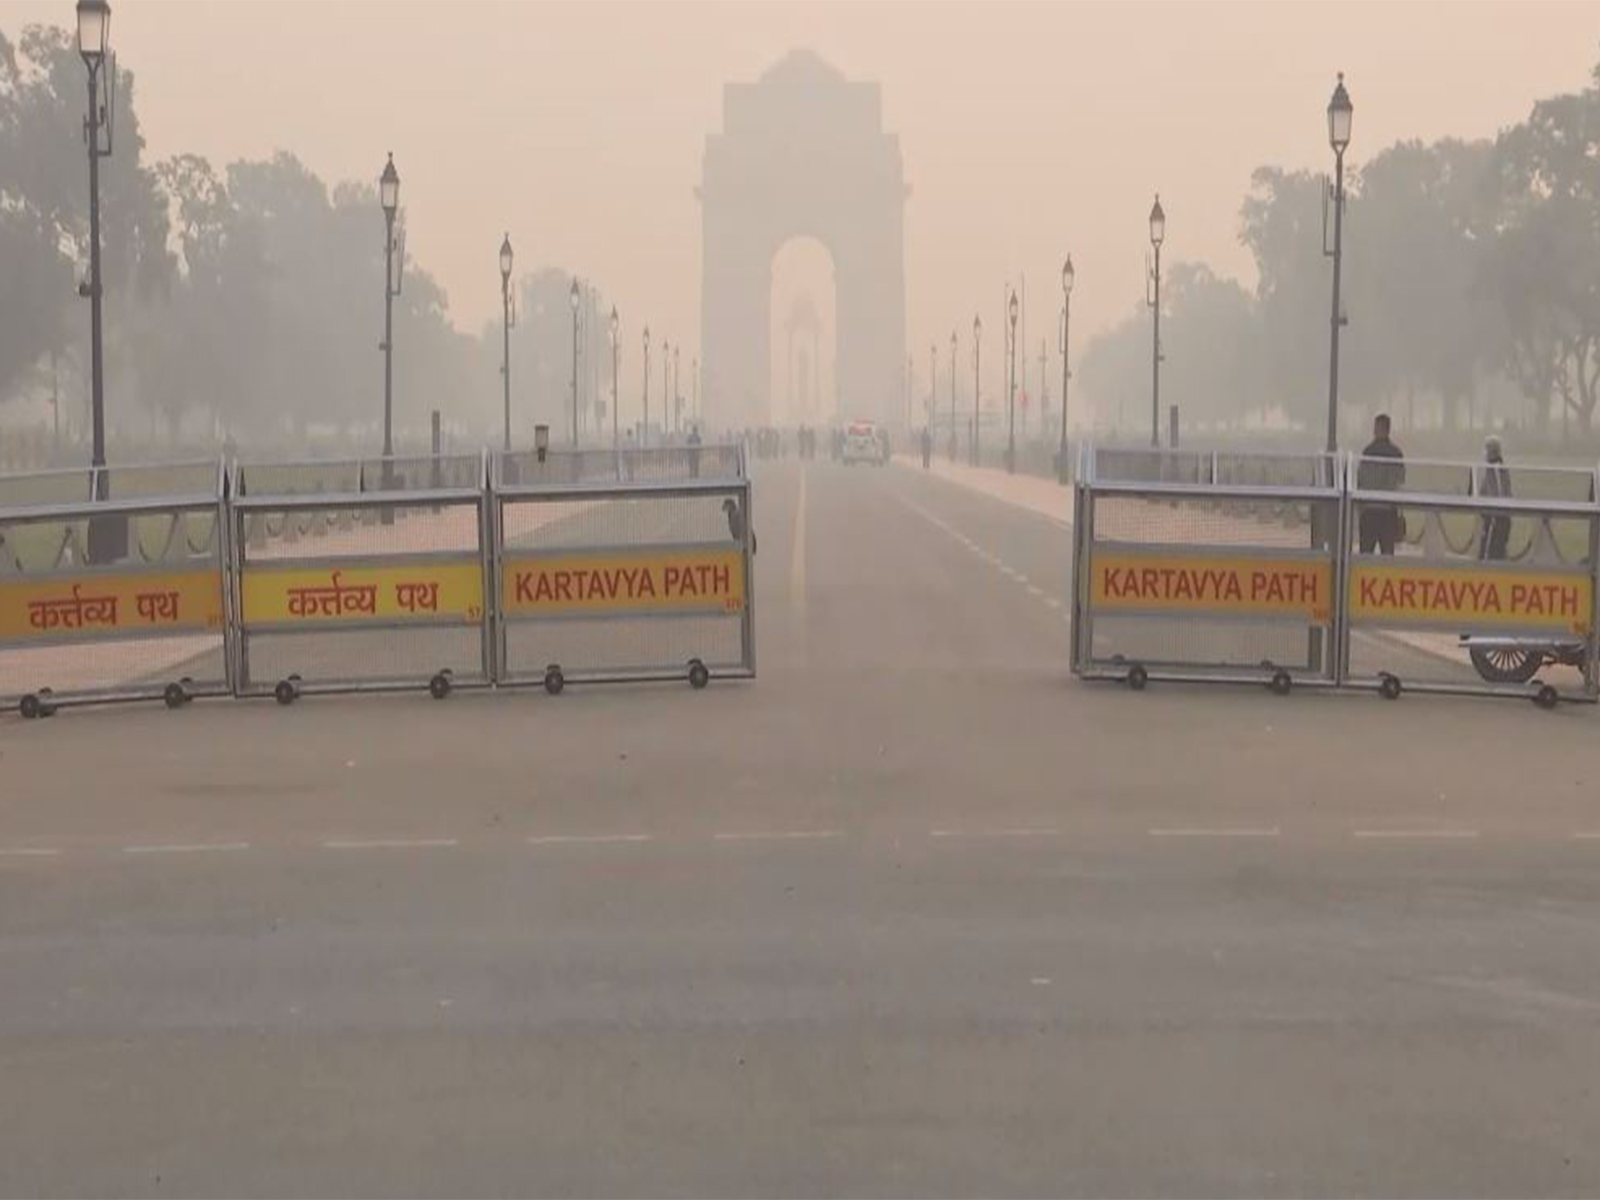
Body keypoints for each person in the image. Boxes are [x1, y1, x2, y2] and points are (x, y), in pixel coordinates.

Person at [1356, 413, 1405, 555]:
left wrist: (1361, 508)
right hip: (1388, 511)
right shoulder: (1396, 453)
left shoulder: (1367, 452)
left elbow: (1361, 481)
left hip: (1369, 511)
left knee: (1365, 555)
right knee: (1387, 556)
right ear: (1388, 429)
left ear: (1377, 429)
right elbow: (1399, 483)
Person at [1478, 435, 1512, 561]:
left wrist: (1491, 514)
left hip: (1496, 519)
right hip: (1494, 518)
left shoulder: (1496, 469)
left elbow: (1499, 494)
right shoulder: (1492, 469)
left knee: (1491, 557)